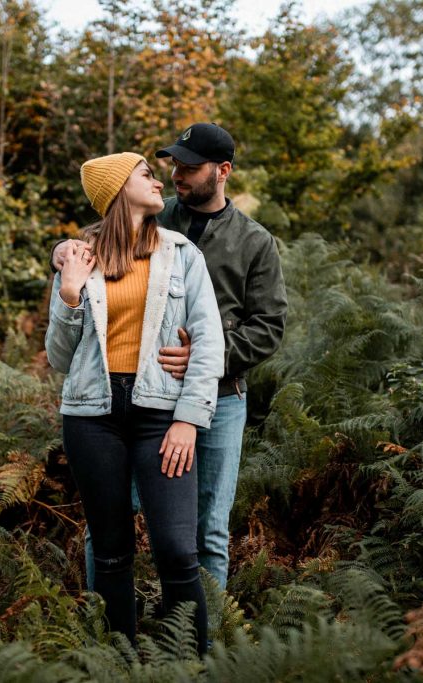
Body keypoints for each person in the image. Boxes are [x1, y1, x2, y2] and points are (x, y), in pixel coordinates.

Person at [54, 124, 288, 591]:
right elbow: (104, 248)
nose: (176, 174)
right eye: (174, 164)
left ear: (222, 172)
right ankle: (110, 624)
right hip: (146, 399)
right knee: (111, 522)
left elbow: (269, 327)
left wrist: (206, 357)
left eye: (190, 166)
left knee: (208, 532)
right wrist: (60, 250)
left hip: (221, 398)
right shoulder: (158, 218)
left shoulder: (255, 241)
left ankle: (200, 636)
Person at [45, 151, 224, 655]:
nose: (158, 180)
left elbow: (208, 341)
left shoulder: (181, 252)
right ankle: (118, 661)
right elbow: (59, 356)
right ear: (119, 188)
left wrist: (189, 419)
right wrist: (71, 295)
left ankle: (191, 662)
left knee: (176, 549)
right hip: (91, 416)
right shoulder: (79, 258)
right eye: (146, 173)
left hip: (159, 413)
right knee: (112, 552)